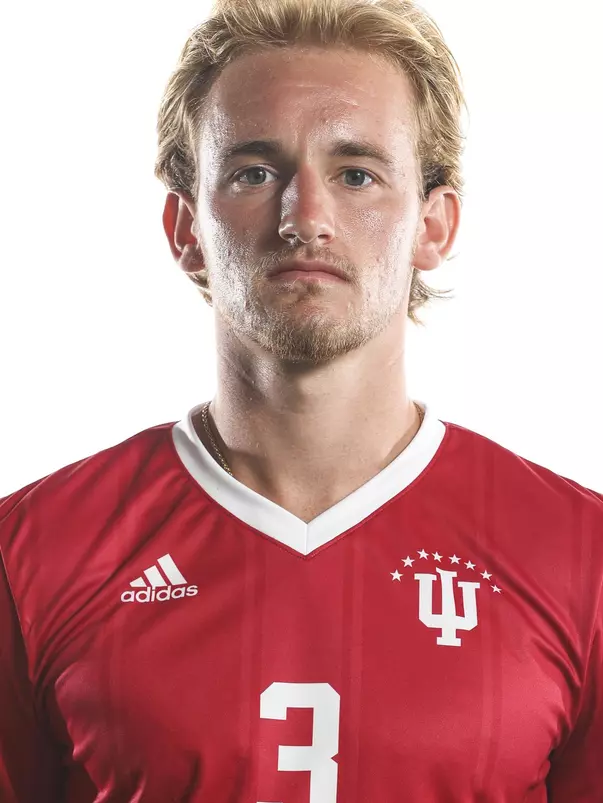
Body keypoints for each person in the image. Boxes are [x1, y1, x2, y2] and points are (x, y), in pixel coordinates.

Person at [1, 0, 602, 799]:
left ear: (434, 224)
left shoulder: (578, 557)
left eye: (355, 173)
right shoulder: (33, 552)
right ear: (184, 229)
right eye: (255, 172)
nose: (305, 217)